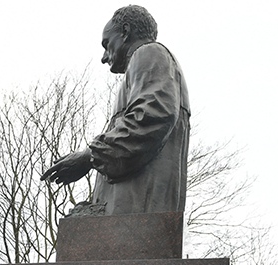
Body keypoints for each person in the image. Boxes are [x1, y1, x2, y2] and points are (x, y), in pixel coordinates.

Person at [41, 5, 190, 217]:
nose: (104, 57)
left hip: (136, 219)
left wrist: (89, 156)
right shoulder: (146, 64)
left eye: (107, 44)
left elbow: (151, 117)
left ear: (126, 32)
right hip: (131, 220)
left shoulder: (149, 53)